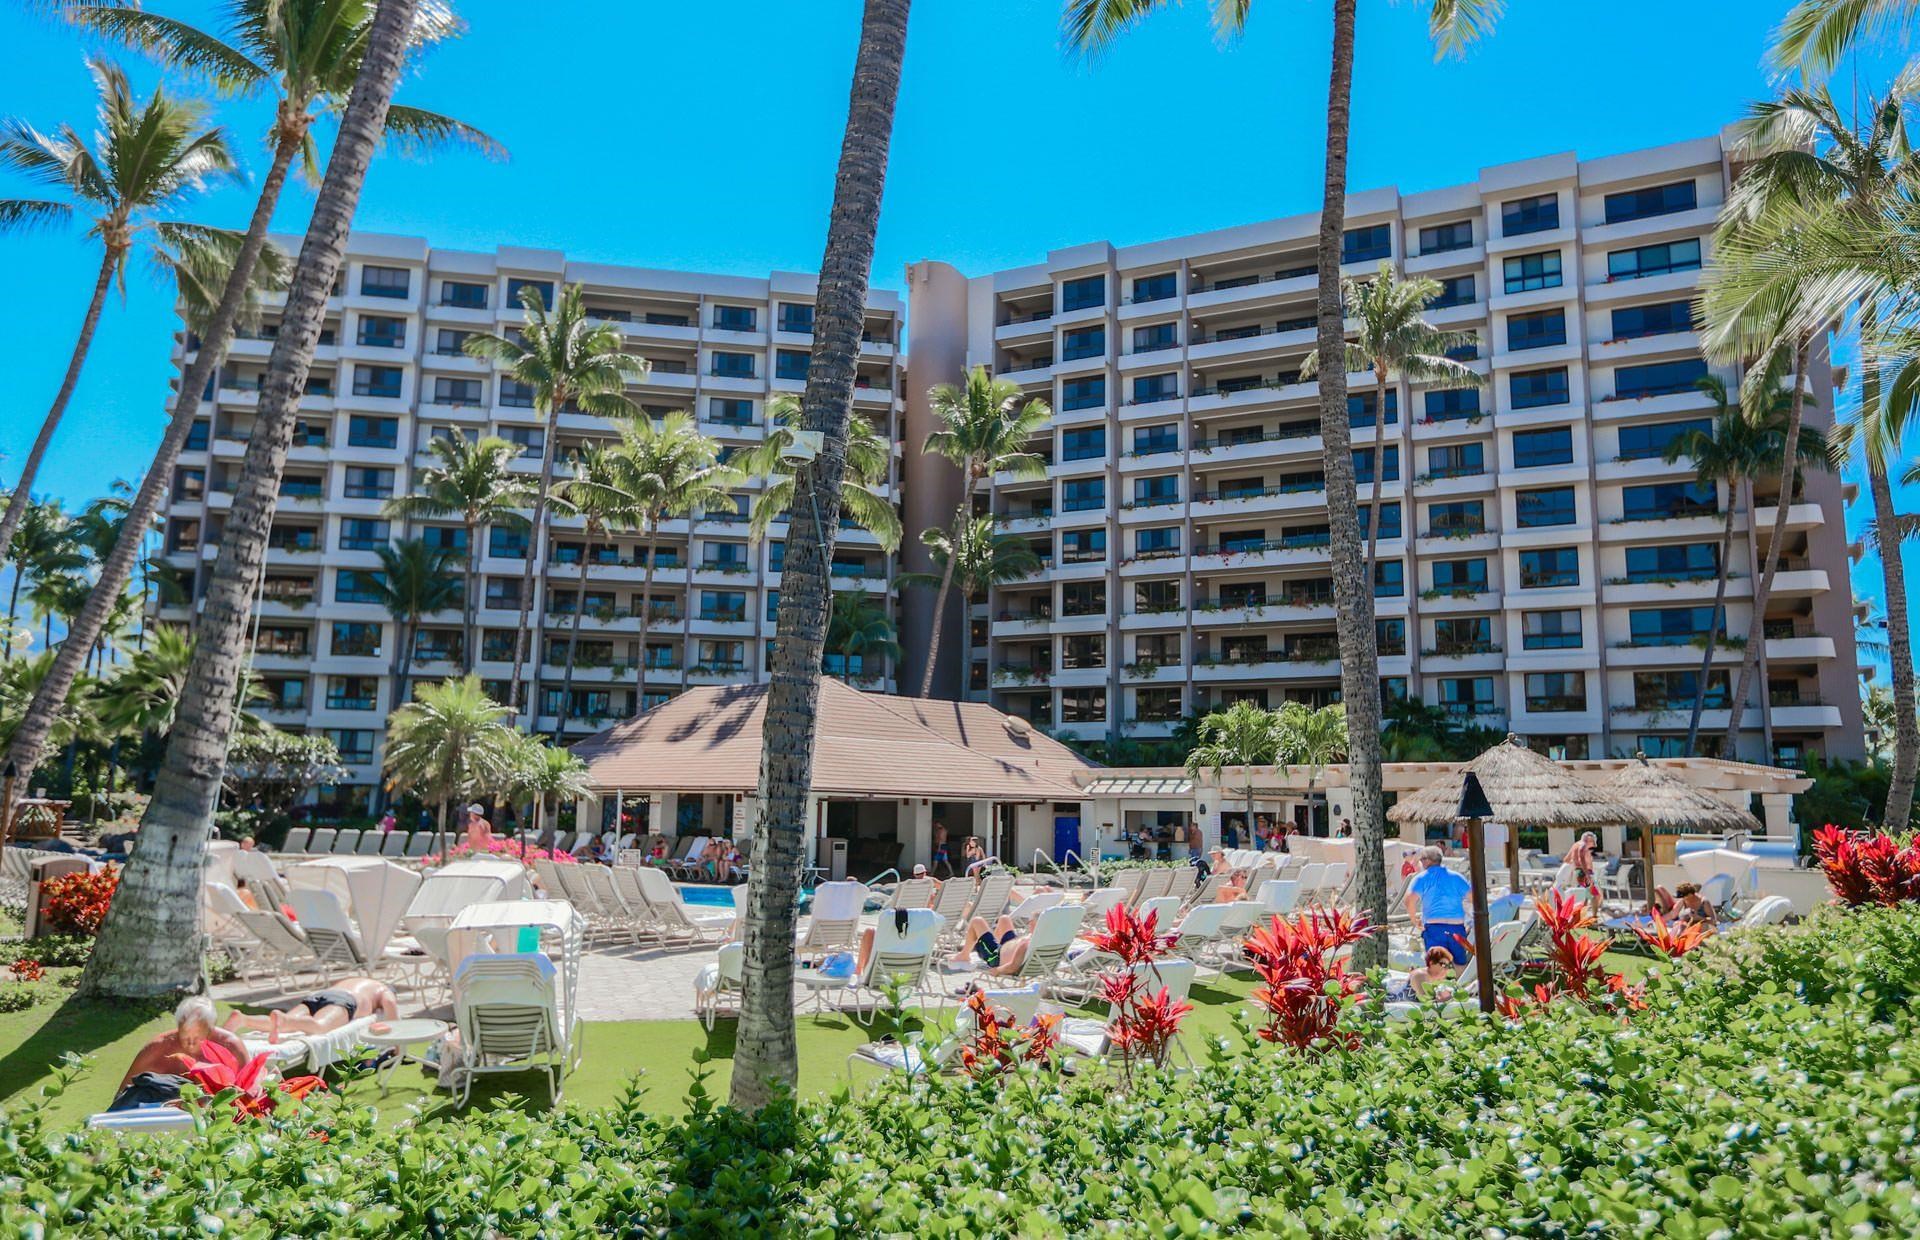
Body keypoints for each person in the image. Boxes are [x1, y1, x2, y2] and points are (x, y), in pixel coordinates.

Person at [109, 996, 254, 1112]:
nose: (190, 1043)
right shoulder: (157, 1048)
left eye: (197, 1038)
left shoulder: (231, 1046)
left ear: (210, 1030)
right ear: (178, 1028)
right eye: (185, 1036)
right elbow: (122, 1095)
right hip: (161, 1113)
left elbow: (248, 1094)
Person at [221, 977, 399, 1041]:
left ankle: (243, 1019)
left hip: (320, 995)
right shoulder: (382, 990)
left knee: (282, 1024)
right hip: (344, 1000)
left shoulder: (358, 979)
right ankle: (286, 1019)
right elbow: (390, 1006)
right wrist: (399, 1049)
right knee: (319, 1025)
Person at [1404, 846, 1473, 964]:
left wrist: (1414, 919)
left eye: (1421, 859)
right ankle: (1460, 983)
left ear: (1427, 860)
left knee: (1435, 965)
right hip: (1457, 927)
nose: (1420, 862)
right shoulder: (1457, 877)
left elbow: (1409, 900)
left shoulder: (1422, 877)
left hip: (1434, 928)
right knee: (1460, 964)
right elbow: (1473, 898)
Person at [1651, 881, 1717, 927]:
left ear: (1690, 895)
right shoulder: (1683, 900)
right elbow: (1672, 914)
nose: (1682, 898)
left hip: (1704, 926)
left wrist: (1700, 918)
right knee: (1678, 925)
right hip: (1691, 926)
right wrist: (1657, 922)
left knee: (1703, 926)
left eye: (1683, 896)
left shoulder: (1704, 902)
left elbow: (1714, 921)